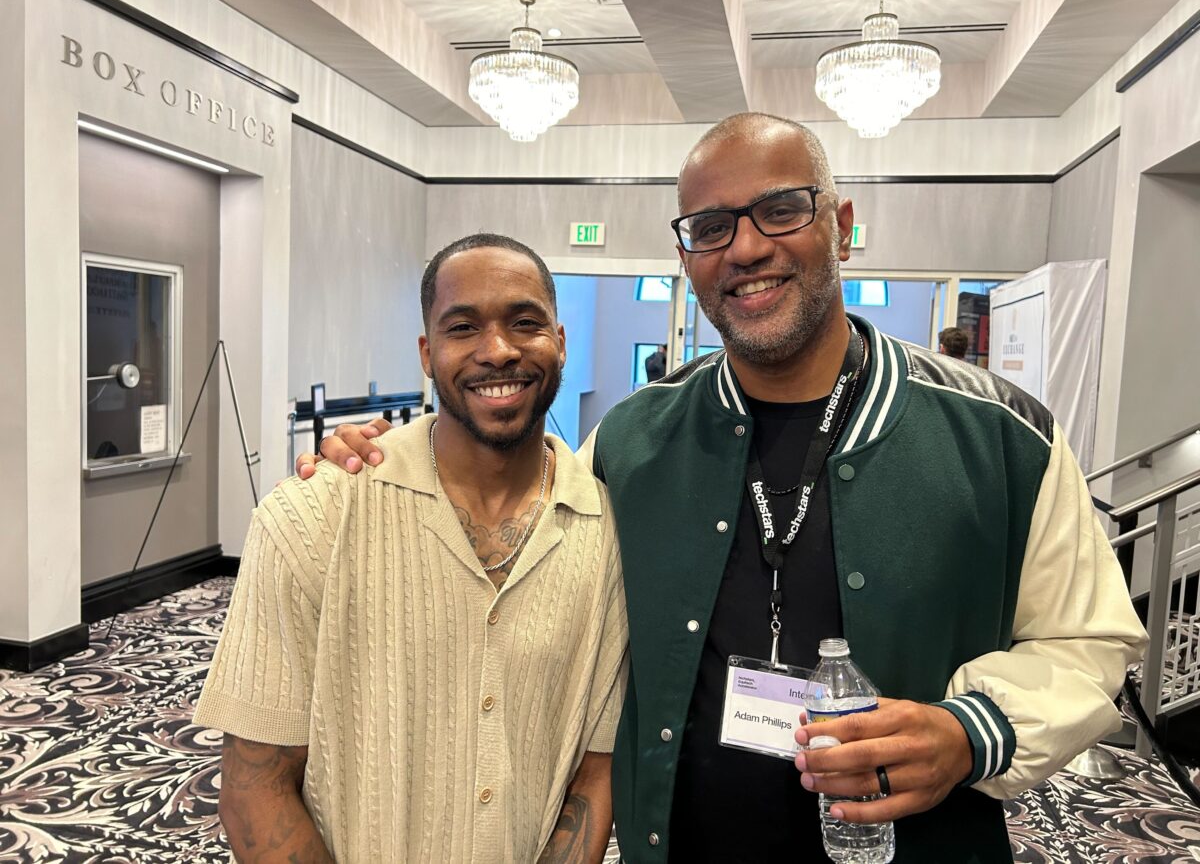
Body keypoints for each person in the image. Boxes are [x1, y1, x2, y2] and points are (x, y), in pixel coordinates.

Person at [301, 114, 1146, 862]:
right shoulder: (631, 440)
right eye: (710, 227)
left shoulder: (1001, 434)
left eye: (781, 209)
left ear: (842, 226)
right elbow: (512, 527)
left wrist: (971, 733)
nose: (745, 247)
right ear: (687, 258)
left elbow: (1090, 642)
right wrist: (385, 460)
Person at [197, 233, 628, 863]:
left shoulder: (607, 532)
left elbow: (594, 771)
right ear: (428, 353)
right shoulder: (313, 516)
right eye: (463, 328)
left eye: (525, 322)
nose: (497, 350)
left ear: (560, 342)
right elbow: (255, 786)